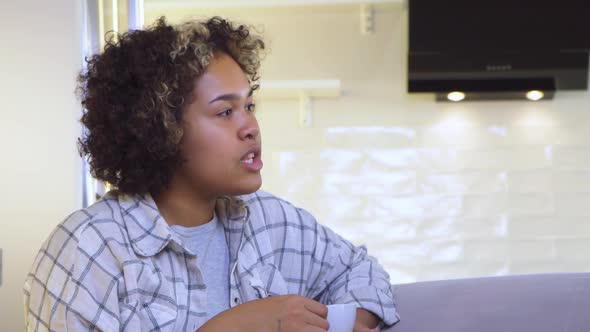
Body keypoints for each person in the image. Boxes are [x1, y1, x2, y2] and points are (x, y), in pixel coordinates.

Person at [23, 16, 399, 331]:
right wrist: (236, 325)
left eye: (249, 105)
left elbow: (362, 273)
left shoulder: (271, 221)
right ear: (161, 130)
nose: (251, 126)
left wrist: (336, 323)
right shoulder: (90, 248)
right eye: (225, 112)